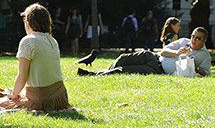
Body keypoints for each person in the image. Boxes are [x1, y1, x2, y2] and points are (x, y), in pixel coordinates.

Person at [0, 3, 71, 111]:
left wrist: (13, 94)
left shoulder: (28, 41)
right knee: (17, 93)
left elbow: (22, 76)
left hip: (40, 99)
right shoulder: (53, 41)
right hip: (60, 98)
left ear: (28, 23)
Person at [79, 27, 211, 77]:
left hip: (157, 69)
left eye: (197, 38)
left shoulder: (204, 55)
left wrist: (196, 68)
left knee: (123, 70)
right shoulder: (183, 41)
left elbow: (206, 73)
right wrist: (177, 53)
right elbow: (164, 51)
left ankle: (93, 74)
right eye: (193, 36)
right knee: (122, 58)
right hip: (153, 57)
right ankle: (102, 72)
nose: (193, 39)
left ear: (204, 41)